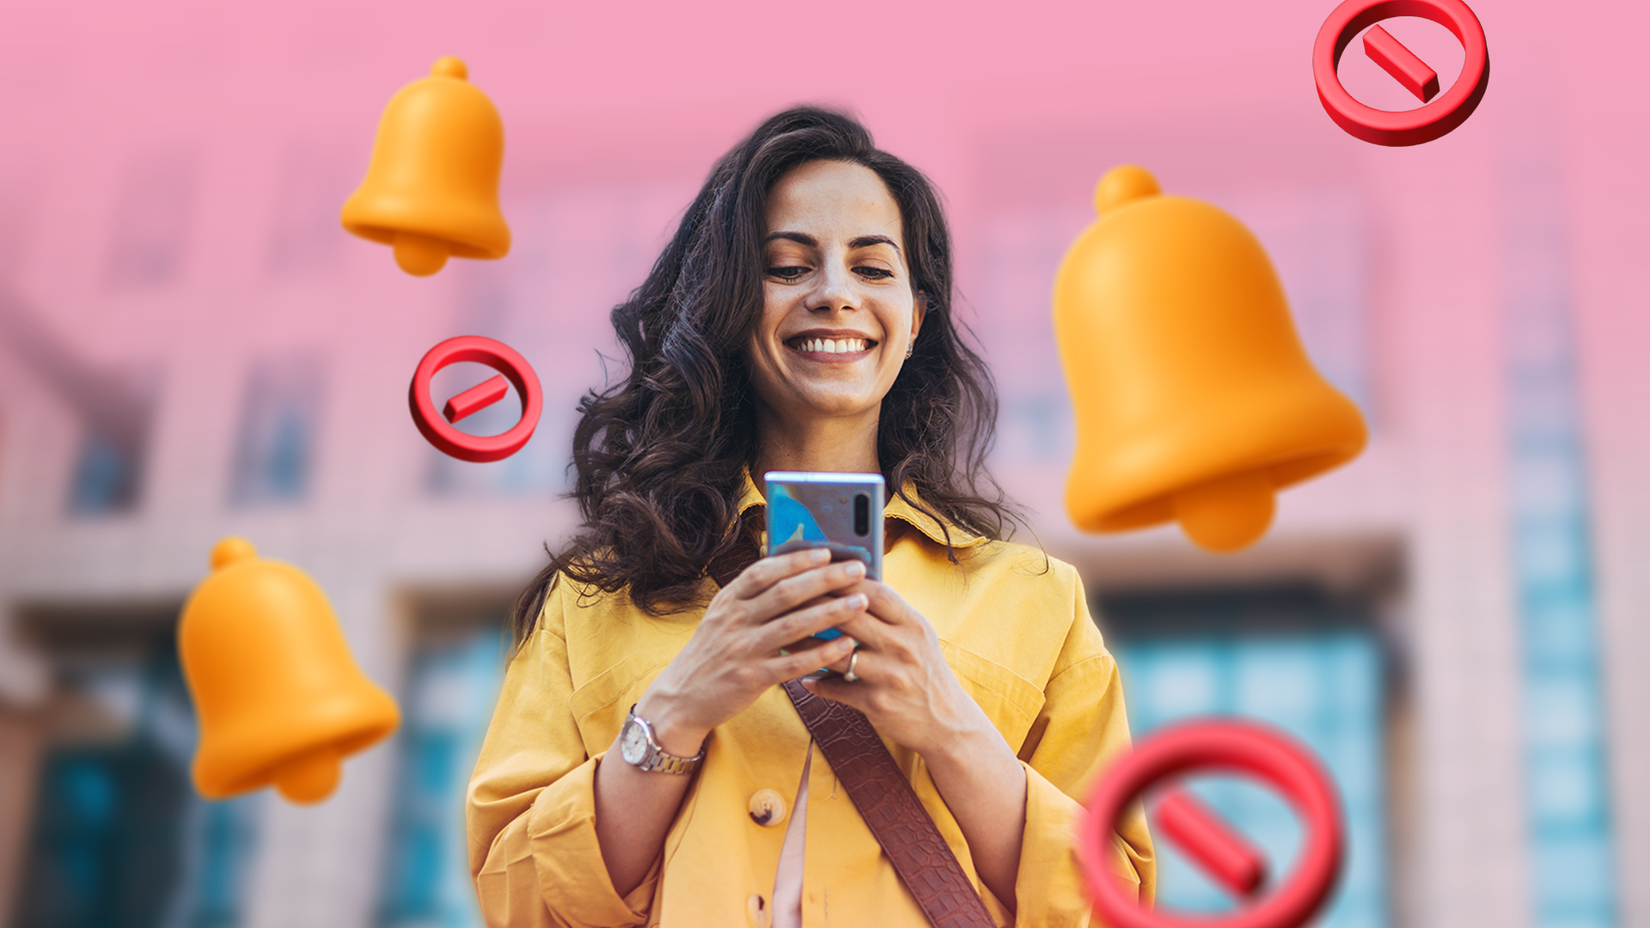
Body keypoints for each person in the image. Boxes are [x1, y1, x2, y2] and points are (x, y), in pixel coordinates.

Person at [466, 106, 1154, 928]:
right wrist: (674, 711)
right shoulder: (592, 602)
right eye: (789, 266)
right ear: (726, 304)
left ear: (915, 318)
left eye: (872, 268)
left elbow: (1117, 903)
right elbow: (514, 900)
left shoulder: (1037, 600)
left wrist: (952, 730)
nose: (834, 294)